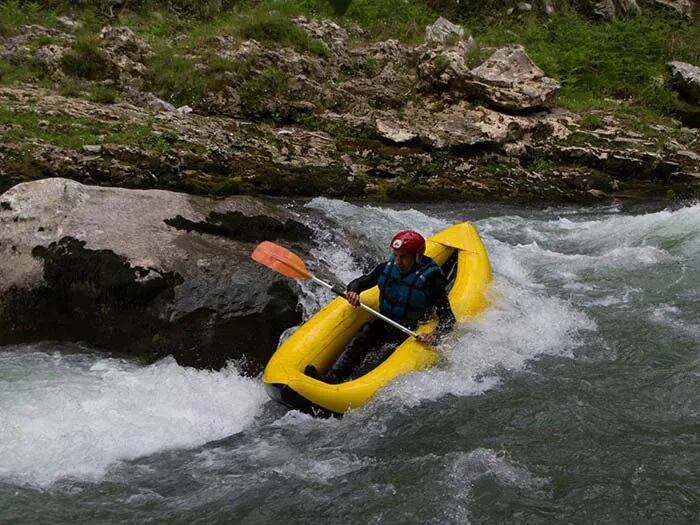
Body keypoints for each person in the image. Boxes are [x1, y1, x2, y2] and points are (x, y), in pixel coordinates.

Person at [321, 230, 456, 383]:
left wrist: (434, 335)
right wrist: (353, 292)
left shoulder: (432, 281)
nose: (398, 261)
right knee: (364, 335)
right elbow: (359, 282)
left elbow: (448, 319)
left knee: (387, 357)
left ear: (418, 256)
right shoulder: (387, 267)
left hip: (412, 329)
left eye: (404, 257)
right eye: (396, 255)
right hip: (387, 322)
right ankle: (334, 377)